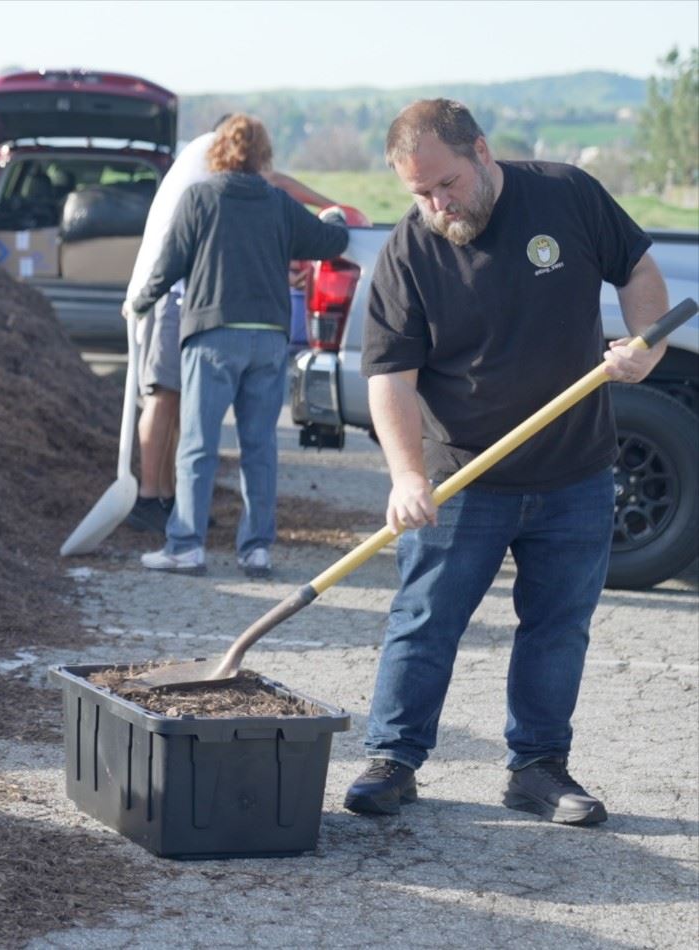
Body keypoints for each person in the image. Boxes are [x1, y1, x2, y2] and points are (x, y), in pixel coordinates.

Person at [343, 99, 668, 824]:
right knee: (425, 619)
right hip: (462, 475)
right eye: (420, 193)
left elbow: (638, 270)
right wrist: (405, 476)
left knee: (557, 625)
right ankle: (393, 758)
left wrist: (647, 342)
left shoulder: (567, 195)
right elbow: (389, 378)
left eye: (446, 184)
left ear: (482, 153)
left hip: (574, 469)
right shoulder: (409, 250)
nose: (436, 204)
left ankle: (538, 769)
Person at [127, 115, 349, 576]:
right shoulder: (279, 204)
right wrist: (337, 216)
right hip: (268, 339)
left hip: (212, 335)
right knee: (259, 447)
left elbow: (170, 264)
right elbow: (330, 242)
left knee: (198, 444)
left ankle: (186, 546)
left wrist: (141, 302)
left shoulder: (200, 198)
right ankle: (256, 549)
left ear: (218, 151)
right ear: (264, 156)